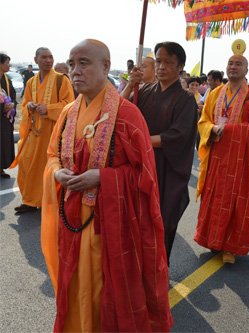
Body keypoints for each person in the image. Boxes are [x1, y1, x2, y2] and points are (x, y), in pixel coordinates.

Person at [41, 39, 173, 332]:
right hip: (72, 221)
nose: (75, 70)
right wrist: (57, 173)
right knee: (73, 286)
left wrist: (103, 178)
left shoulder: (127, 115)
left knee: (105, 294)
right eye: (72, 63)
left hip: (110, 226)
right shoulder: (66, 114)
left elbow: (145, 175)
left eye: (84, 63)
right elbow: (52, 155)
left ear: (105, 66)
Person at [127, 41, 198, 263]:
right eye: (158, 61)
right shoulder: (144, 90)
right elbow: (120, 114)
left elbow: (177, 136)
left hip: (167, 170)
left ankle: (157, 273)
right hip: (140, 165)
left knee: (161, 222)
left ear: (180, 67)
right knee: (136, 220)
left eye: (169, 62)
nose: (161, 67)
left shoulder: (186, 100)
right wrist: (130, 85)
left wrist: (142, 142)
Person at [195, 53, 249, 264]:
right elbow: (203, 121)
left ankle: (230, 248)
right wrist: (213, 128)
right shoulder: (215, 93)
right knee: (214, 198)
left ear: (246, 70)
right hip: (217, 157)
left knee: (237, 202)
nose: (233, 67)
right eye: (230, 63)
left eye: (238, 64)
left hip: (241, 161)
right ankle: (212, 240)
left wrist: (231, 131)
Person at [11, 47, 74, 214]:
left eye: (50, 57)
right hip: (34, 132)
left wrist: (49, 109)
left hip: (52, 133)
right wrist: (29, 106)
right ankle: (29, 200)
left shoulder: (62, 80)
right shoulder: (31, 82)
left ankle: (48, 202)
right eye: (44, 57)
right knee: (26, 164)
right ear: (36, 60)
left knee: (49, 168)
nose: (48, 60)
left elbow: (70, 105)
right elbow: (25, 104)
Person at [1, 53, 16, 178]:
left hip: (5, 119)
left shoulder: (6, 79)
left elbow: (13, 96)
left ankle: (0, 169)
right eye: (7, 62)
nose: (9, 65)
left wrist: (11, 106)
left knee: (3, 143)